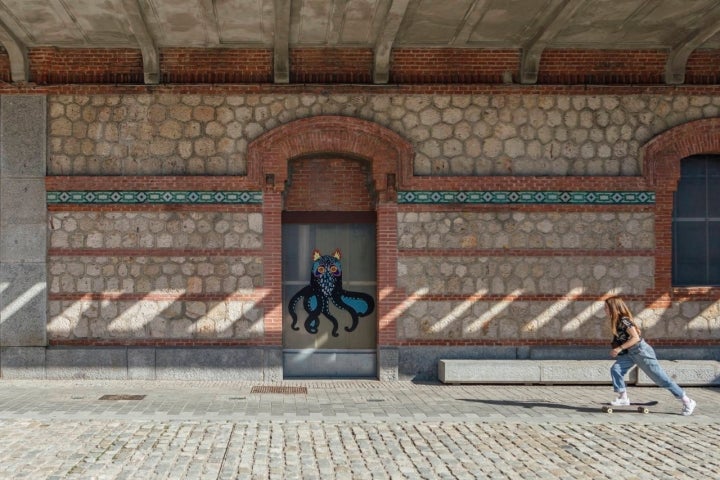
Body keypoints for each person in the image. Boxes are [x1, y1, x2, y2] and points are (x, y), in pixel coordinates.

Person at [604, 295, 697, 415]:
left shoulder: (624, 320)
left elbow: (635, 338)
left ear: (614, 308)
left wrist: (619, 348)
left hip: (641, 352)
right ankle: (623, 398)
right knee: (616, 369)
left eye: (606, 307)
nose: (605, 310)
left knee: (661, 379)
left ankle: (687, 401)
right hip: (630, 353)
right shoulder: (616, 322)